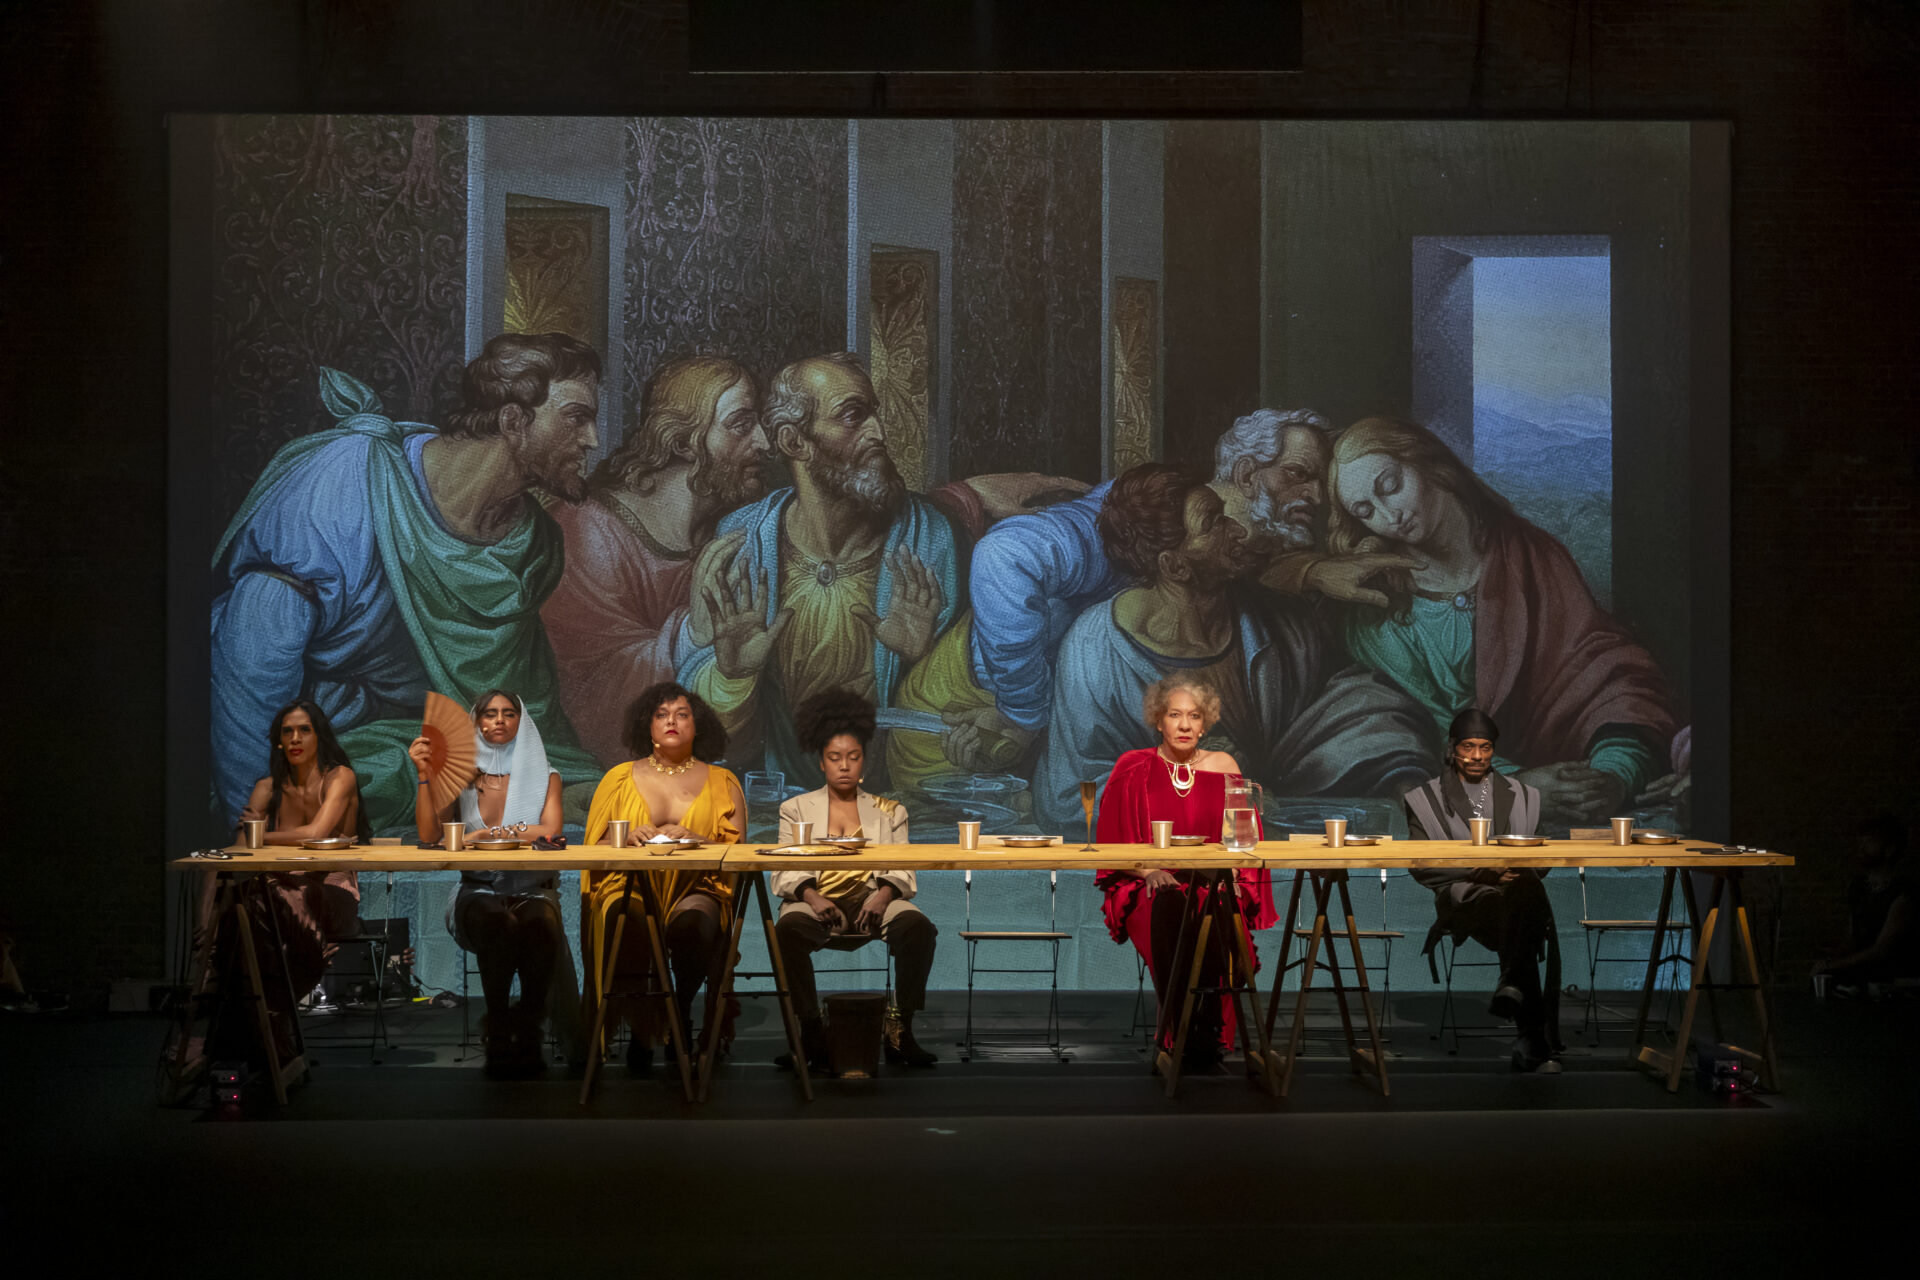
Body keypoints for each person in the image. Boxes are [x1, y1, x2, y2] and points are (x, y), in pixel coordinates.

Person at [210, 335, 605, 834]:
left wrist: (558, 784)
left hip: (411, 749)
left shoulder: (531, 544)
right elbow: (250, 665)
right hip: (282, 742)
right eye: (576, 418)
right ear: (512, 421)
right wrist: (255, 833)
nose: (592, 440)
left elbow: (517, 702)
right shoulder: (347, 483)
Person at [966, 407, 1421, 738]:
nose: (1317, 497)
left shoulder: (1250, 546)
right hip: (982, 697)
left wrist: (1322, 568)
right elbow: (1003, 558)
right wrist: (1026, 714)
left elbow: (1260, 574)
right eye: (1298, 474)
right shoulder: (1154, 514)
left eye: (1323, 484)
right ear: (1246, 474)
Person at [1034, 462, 1437, 827]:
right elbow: (1071, 795)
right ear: (1174, 566)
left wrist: (1402, 775)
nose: (1238, 530)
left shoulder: (1268, 619)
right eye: (1213, 523)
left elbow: (1345, 703)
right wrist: (1190, 781)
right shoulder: (1096, 649)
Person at [1328, 416, 1684, 826]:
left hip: (1581, 792)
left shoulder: (1529, 557)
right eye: (1365, 510)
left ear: (1425, 460)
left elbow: (1607, 674)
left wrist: (1614, 774)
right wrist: (1519, 790)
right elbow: (1414, 733)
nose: (1388, 515)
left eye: (1389, 486)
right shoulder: (1379, 610)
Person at [677, 352, 960, 794]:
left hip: (897, 805)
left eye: (873, 415)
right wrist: (733, 677)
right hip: (778, 807)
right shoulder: (742, 541)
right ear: (794, 442)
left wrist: (919, 663)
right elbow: (706, 742)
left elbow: (961, 716)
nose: (879, 434)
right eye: (853, 416)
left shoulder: (928, 538)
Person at [542, 356, 772, 767]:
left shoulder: (732, 535)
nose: (763, 443)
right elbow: (588, 692)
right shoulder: (588, 530)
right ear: (683, 443)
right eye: (740, 424)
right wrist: (691, 635)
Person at [1094, 673, 1277, 1069]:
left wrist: (1226, 874)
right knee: (1171, 904)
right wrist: (1149, 871)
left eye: (1194, 716)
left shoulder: (1223, 765)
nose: (1184, 725)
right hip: (1149, 885)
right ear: (1159, 721)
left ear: (1205, 723)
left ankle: (1206, 1030)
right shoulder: (1133, 766)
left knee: (1213, 908)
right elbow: (1111, 843)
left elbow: (1243, 841)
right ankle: (1181, 1031)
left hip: (1210, 883)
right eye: (1175, 715)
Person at [409, 689, 575, 1076]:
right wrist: (425, 776)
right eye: (489, 713)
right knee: (496, 922)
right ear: (477, 722)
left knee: (537, 924)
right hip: (476, 890)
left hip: (532, 888)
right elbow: (430, 834)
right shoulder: (459, 776)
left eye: (508, 713)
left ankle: (529, 1025)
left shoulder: (546, 775)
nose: (499, 719)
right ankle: (499, 1026)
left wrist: (493, 833)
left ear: (522, 721)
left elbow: (550, 830)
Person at [772, 689, 938, 1073]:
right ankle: (811, 1029)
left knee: (917, 928)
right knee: (787, 930)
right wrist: (813, 898)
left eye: (852, 757)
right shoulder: (795, 808)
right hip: (815, 898)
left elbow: (902, 867)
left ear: (863, 761)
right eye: (835, 758)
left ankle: (899, 1027)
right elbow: (786, 868)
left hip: (870, 898)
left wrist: (882, 896)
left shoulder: (889, 810)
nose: (844, 765)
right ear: (821, 762)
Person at [582, 682, 746, 1071]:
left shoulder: (723, 781)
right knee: (626, 919)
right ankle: (642, 1025)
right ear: (647, 725)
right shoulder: (618, 778)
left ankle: (680, 1016)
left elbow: (737, 854)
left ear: (698, 725)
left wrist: (699, 840)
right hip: (629, 882)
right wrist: (625, 838)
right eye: (662, 714)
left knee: (693, 924)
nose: (671, 721)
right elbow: (594, 847)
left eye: (682, 714)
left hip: (696, 882)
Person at [1404, 708, 1562, 1073]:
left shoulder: (1524, 795)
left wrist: (1513, 870)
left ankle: (1512, 985)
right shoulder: (1423, 799)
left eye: (1485, 747)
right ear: (1452, 749)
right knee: (1524, 912)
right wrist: (1483, 872)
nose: (1477, 756)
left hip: (1517, 895)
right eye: (1469, 747)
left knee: (1524, 891)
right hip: (1464, 900)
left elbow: (1543, 855)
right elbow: (1422, 866)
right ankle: (1531, 1038)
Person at [1814, 816, 1918, 990]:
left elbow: (1881, 950)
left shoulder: (1904, 894)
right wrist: (1830, 959)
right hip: (1863, 974)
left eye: (1869, 843)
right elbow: (1853, 936)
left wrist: (1832, 965)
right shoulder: (1859, 887)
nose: (1861, 848)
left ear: (1889, 849)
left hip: (1891, 979)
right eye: (1860, 842)